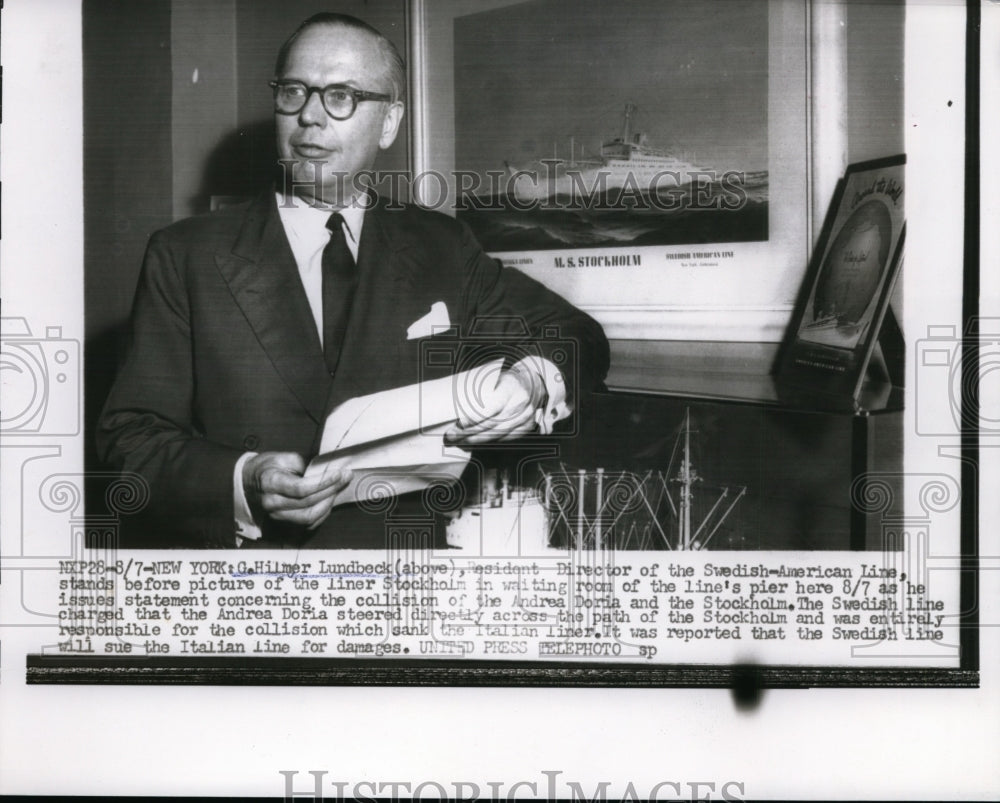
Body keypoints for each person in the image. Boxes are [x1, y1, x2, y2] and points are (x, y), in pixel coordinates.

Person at [97, 13, 609, 549]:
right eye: (294, 91)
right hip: (250, 589)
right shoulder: (185, 255)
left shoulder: (442, 245)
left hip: (400, 589)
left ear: (389, 123)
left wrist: (531, 381)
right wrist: (244, 477)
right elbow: (130, 438)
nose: (310, 118)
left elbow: (577, 335)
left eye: (340, 96)